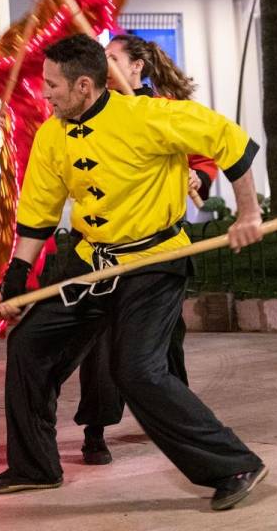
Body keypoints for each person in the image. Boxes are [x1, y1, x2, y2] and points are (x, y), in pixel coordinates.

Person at [0, 34, 268, 512]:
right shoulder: (53, 133)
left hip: (154, 263)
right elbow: (38, 211)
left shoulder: (148, 116)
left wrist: (248, 214)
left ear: (85, 86)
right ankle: (34, 466)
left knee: (137, 370)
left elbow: (230, 141)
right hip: (93, 262)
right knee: (30, 343)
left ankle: (232, 464)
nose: (45, 93)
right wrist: (16, 278)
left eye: (52, 85)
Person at [72, 33, 217, 465]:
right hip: (107, 249)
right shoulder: (93, 114)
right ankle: (95, 430)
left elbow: (204, 156)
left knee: (167, 341)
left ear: (137, 67)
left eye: (113, 58)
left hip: (159, 250)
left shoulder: (166, 112)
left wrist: (199, 179)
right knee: (100, 342)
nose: (107, 65)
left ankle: (180, 422)